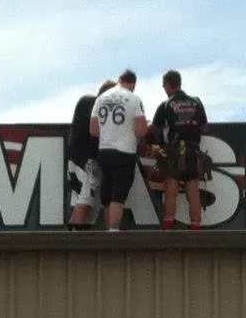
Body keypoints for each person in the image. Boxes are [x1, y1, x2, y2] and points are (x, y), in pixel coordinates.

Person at [147, 69, 210, 229]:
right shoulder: (196, 102)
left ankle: (168, 225)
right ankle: (196, 226)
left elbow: (154, 130)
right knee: (193, 190)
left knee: (171, 189)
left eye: (164, 86)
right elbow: (205, 127)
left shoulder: (165, 105)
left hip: (173, 151)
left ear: (168, 85)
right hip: (193, 150)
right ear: (179, 83)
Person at [89, 69, 147, 231]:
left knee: (107, 194)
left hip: (104, 151)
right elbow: (141, 130)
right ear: (132, 84)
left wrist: (109, 131)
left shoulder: (101, 98)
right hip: (125, 152)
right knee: (118, 194)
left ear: (119, 80)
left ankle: (108, 229)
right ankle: (113, 231)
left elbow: (93, 130)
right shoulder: (134, 99)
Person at [67, 79, 117, 230]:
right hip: (87, 161)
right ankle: (75, 234)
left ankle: (74, 234)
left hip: (78, 159)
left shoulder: (85, 102)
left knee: (84, 199)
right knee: (87, 197)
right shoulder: (93, 104)